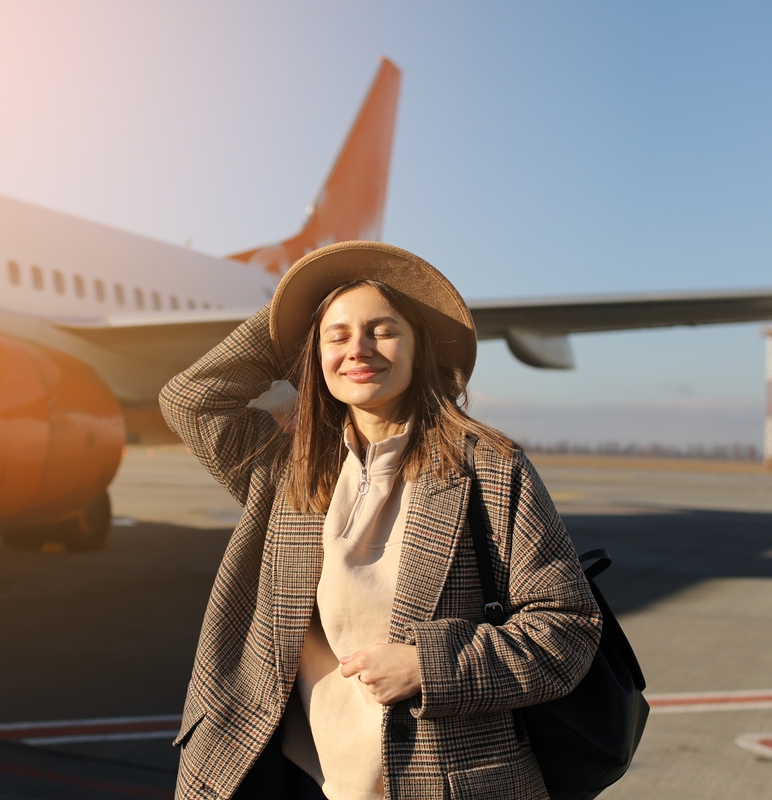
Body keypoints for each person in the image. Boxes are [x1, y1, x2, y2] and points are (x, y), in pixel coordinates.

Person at [160, 242, 602, 800]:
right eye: (337, 336)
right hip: (296, 779)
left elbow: (567, 628)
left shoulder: (489, 467)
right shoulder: (287, 471)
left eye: (383, 330)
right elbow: (192, 400)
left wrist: (431, 667)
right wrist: (299, 312)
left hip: (444, 783)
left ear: (420, 348)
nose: (359, 349)